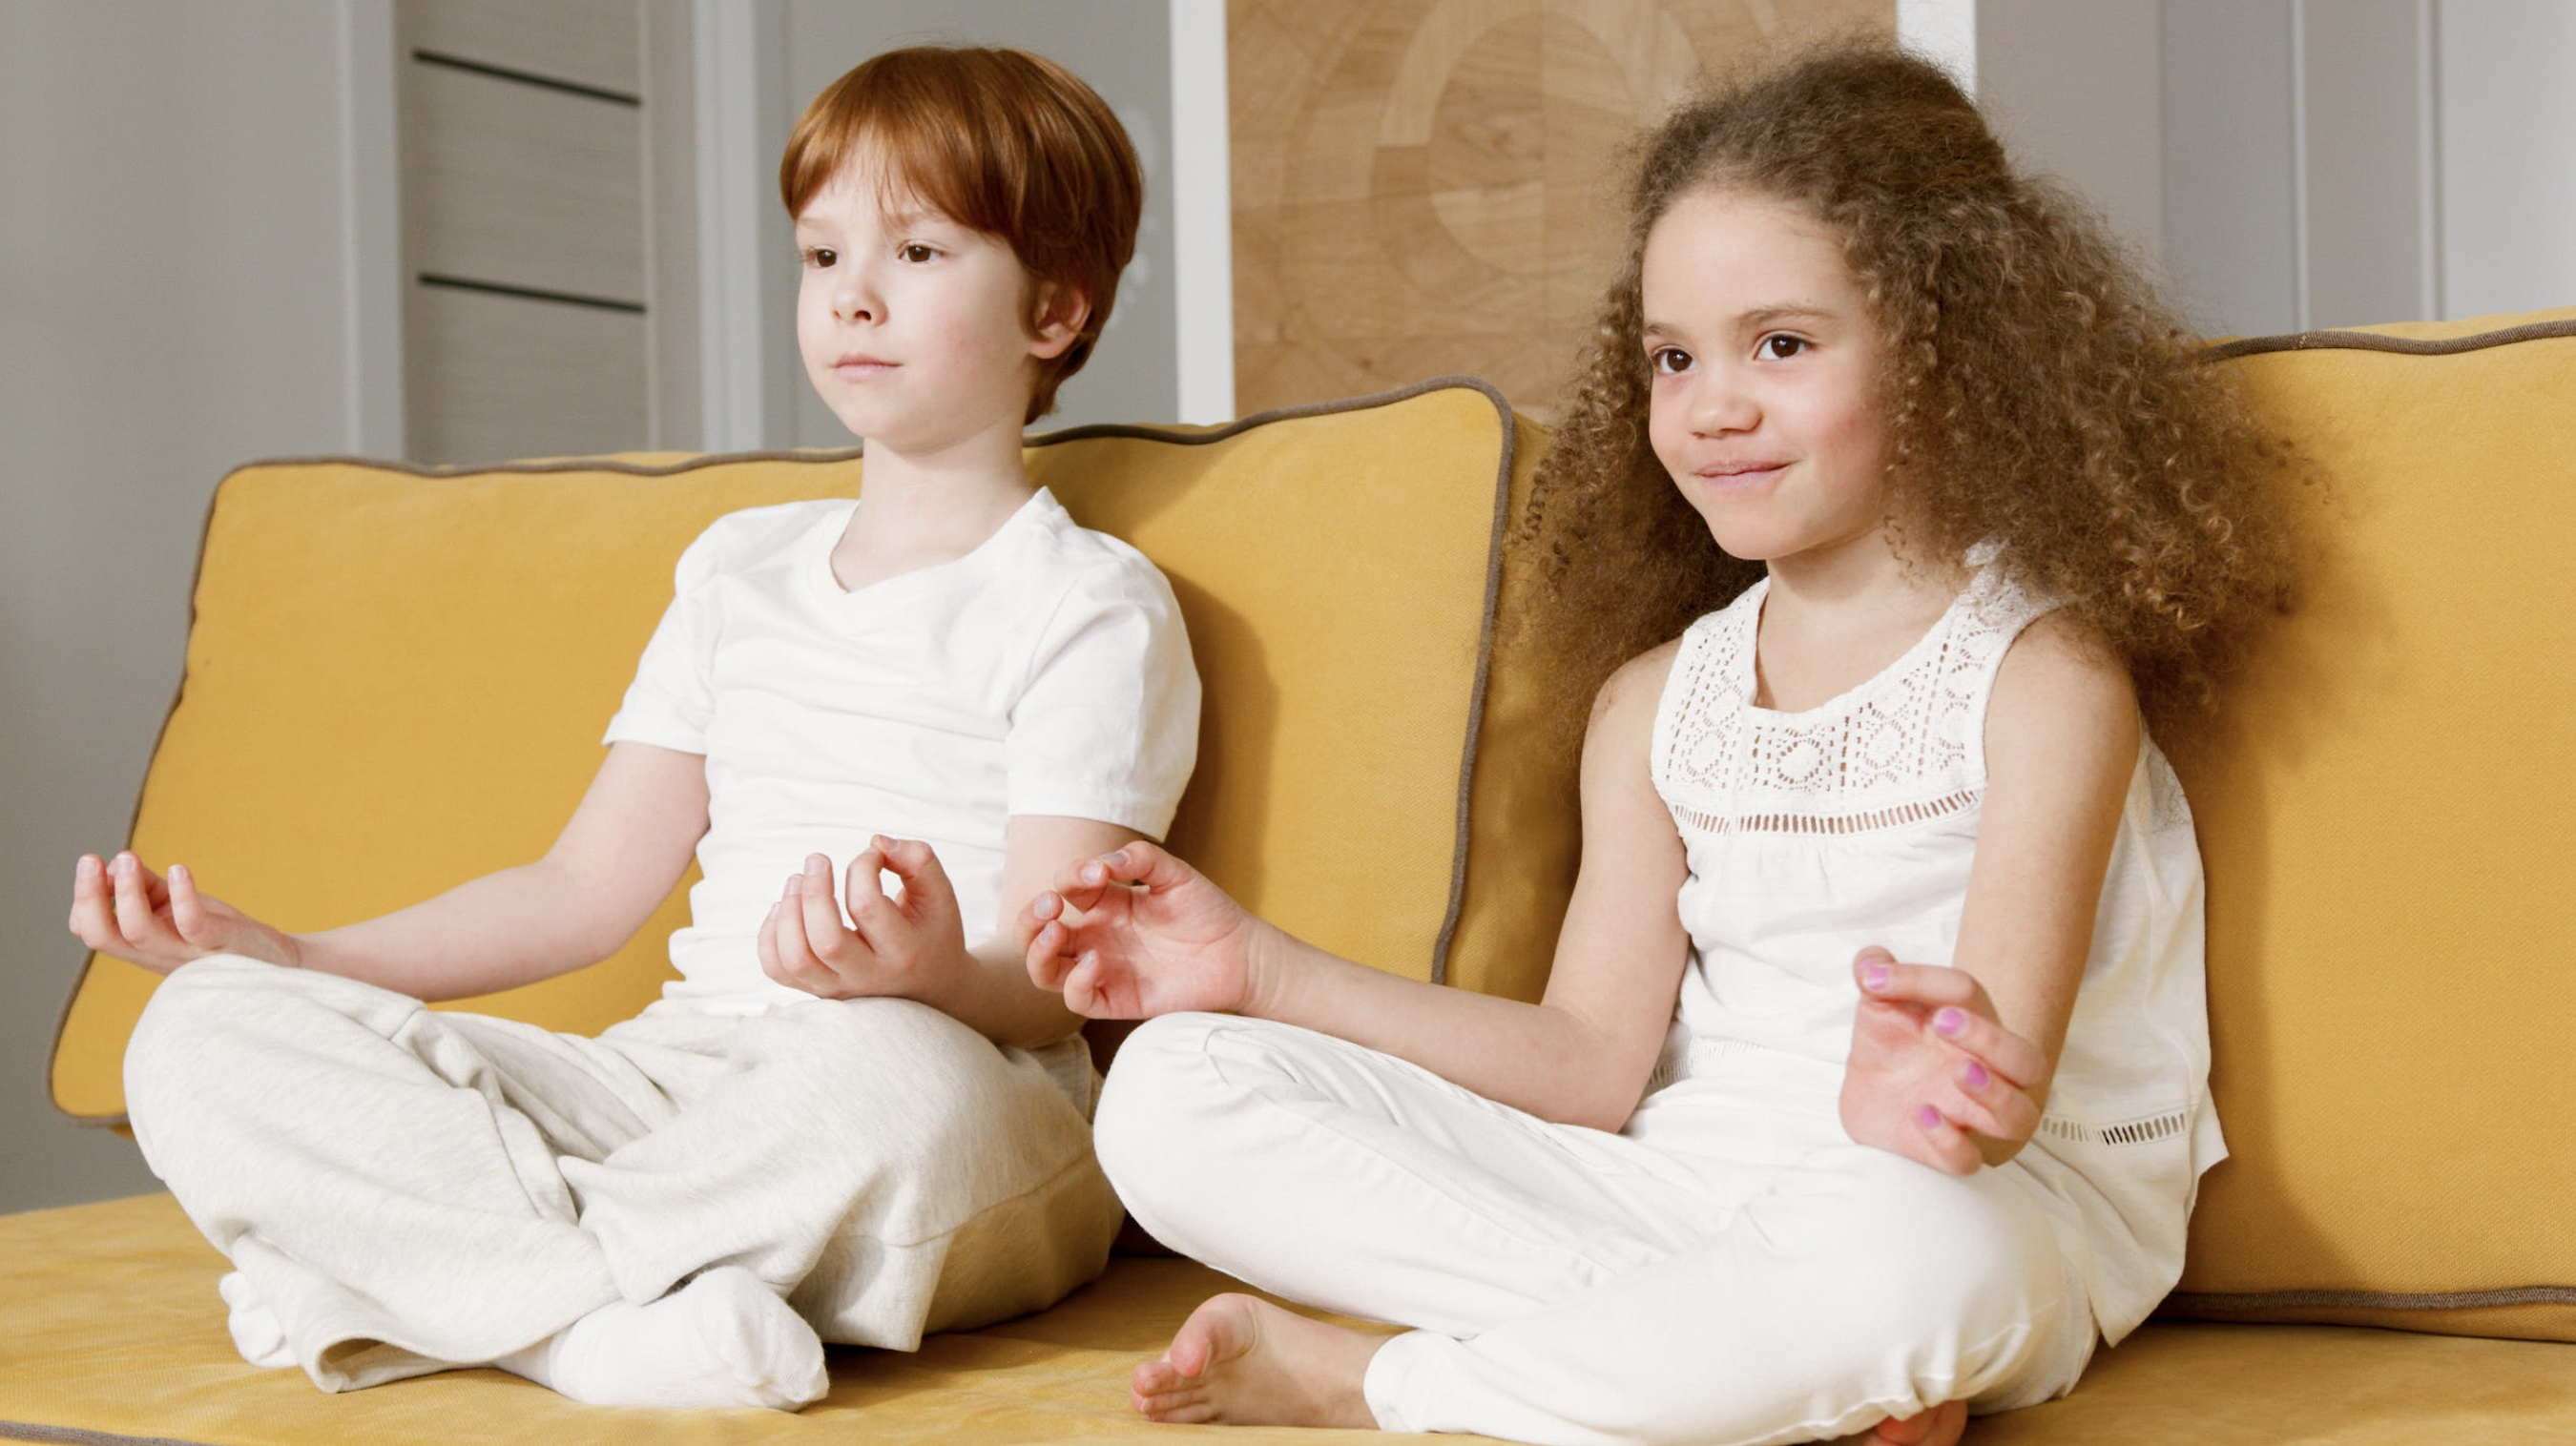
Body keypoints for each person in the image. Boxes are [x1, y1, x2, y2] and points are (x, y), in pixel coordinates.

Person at [1015, 40, 2296, 1446]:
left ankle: (1394, 1387)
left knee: (1911, 1251)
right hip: (1680, 1193)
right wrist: (1256, 970)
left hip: (1970, 1199)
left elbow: (1995, 1098)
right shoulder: (1652, 704)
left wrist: (1925, 1104)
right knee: (1173, 1095)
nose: (1712, 404)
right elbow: (1585, 1067)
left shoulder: (2045, 676)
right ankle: (1773, 1373)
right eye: (1673, 357)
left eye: (1783, 346)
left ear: (1952, 352)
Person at [68, 46, 1197, 1413]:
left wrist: (933, 977)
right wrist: (294, 959)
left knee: (901, 1090)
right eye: (821, 251)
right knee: (198, 1030)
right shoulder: (738, 570)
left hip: (945, 1072)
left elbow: (1057, 972)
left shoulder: (1089, 605)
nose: (851, 292)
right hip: (673, 1083)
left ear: (1055, 310)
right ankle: (586, 1329)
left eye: (916, 248)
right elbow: (578, 891)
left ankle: (399, 1288)